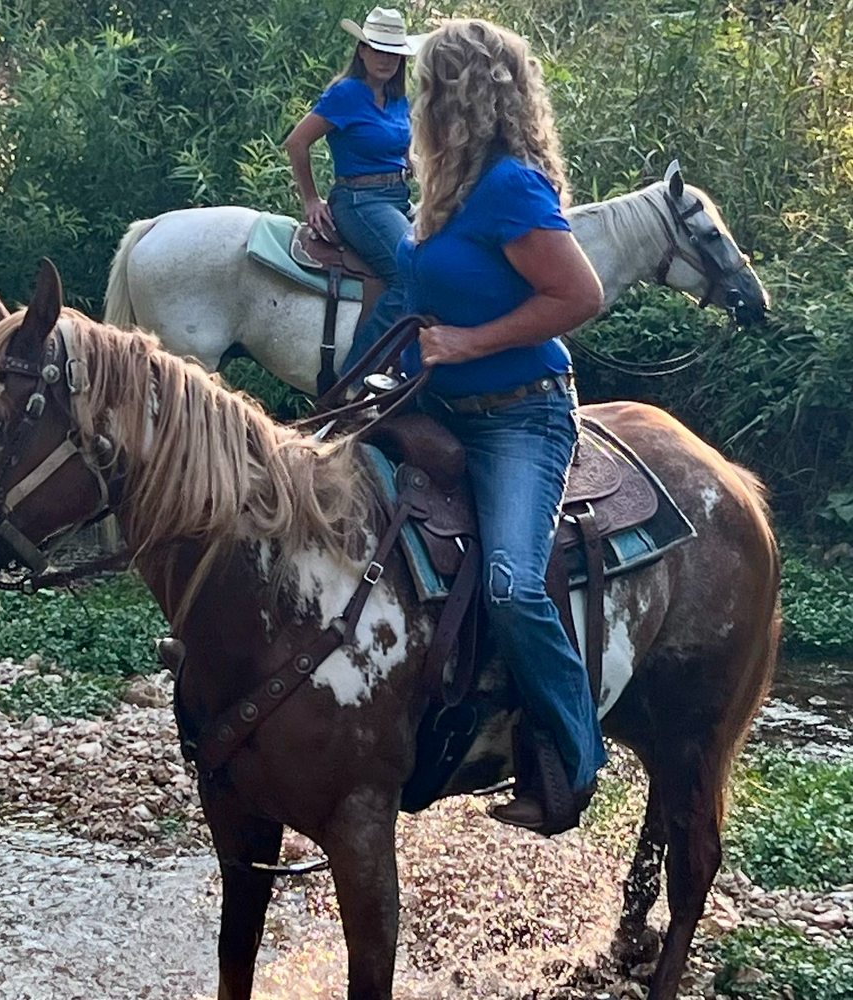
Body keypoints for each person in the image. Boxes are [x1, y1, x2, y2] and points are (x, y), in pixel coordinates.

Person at [400, 19, 608, 834]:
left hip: (522, 416)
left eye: (428, 89)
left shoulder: (509, 188)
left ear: (461, 95)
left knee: (514, 584)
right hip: (441, 406)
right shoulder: (448, 191)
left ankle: (574, 753)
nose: (418, 105)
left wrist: (466, 343)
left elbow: (578, 298)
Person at [283, 7, 425, 376]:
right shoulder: (346, 94)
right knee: (408, 271)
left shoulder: (398, 100)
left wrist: (410, 159)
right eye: (377, 49)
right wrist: (311, 199)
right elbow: (297, 142)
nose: (385, 59)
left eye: (393, 52)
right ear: (361, 51)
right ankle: (357, 378)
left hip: (397, 199)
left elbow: (399, 145)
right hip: (359, 201)